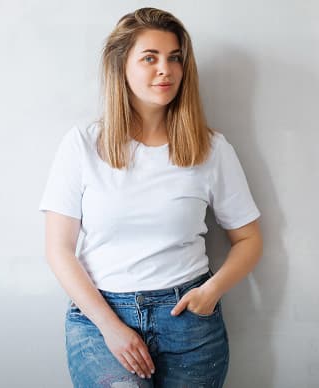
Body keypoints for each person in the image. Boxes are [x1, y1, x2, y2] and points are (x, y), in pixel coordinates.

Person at [39, 7, 263, 388]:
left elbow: (249, 239)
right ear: (121, 66)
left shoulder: (211, 149)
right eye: (150, 58)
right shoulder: (82, 145)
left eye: (175, 58)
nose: (166, 69)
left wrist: (210, 291)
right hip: (102, 318)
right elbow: (59, 249)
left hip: (189, 322)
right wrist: (111, 327)